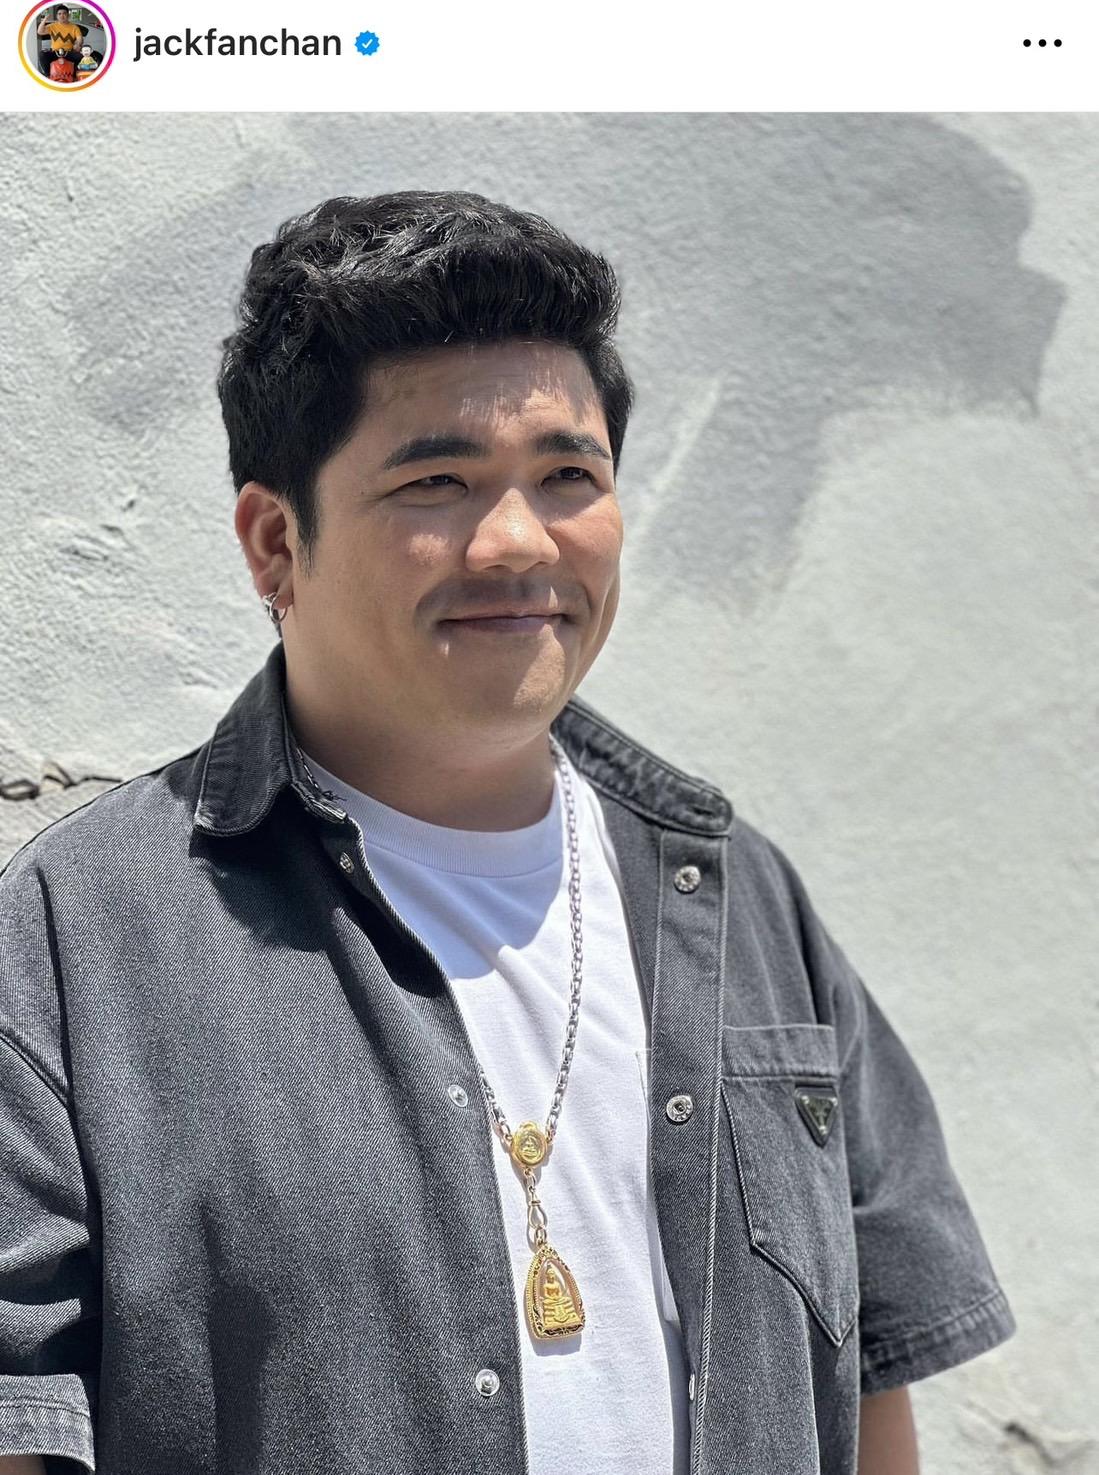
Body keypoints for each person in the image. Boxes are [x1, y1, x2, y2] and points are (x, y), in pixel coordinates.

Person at [0, 191, 1016, 1475]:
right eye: (438, 482)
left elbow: (869, 1389)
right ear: (275, 543)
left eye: (568, 476)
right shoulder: (80, 938)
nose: (520, 541)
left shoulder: (732, 897)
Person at [35, 4, 82, 75]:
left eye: (64, 13)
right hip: (54, 52)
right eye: (59, 14)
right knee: (42, 54)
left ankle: (74, 75)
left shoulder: (74, 27)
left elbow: (79, 38)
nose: (62, 16)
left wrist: (78, 44)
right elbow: (40, 32)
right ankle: (48, 75)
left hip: (68, 53)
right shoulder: (52, 26)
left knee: (80, 56)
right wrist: (44, 20)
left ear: (68, 15)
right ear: (57, 16)